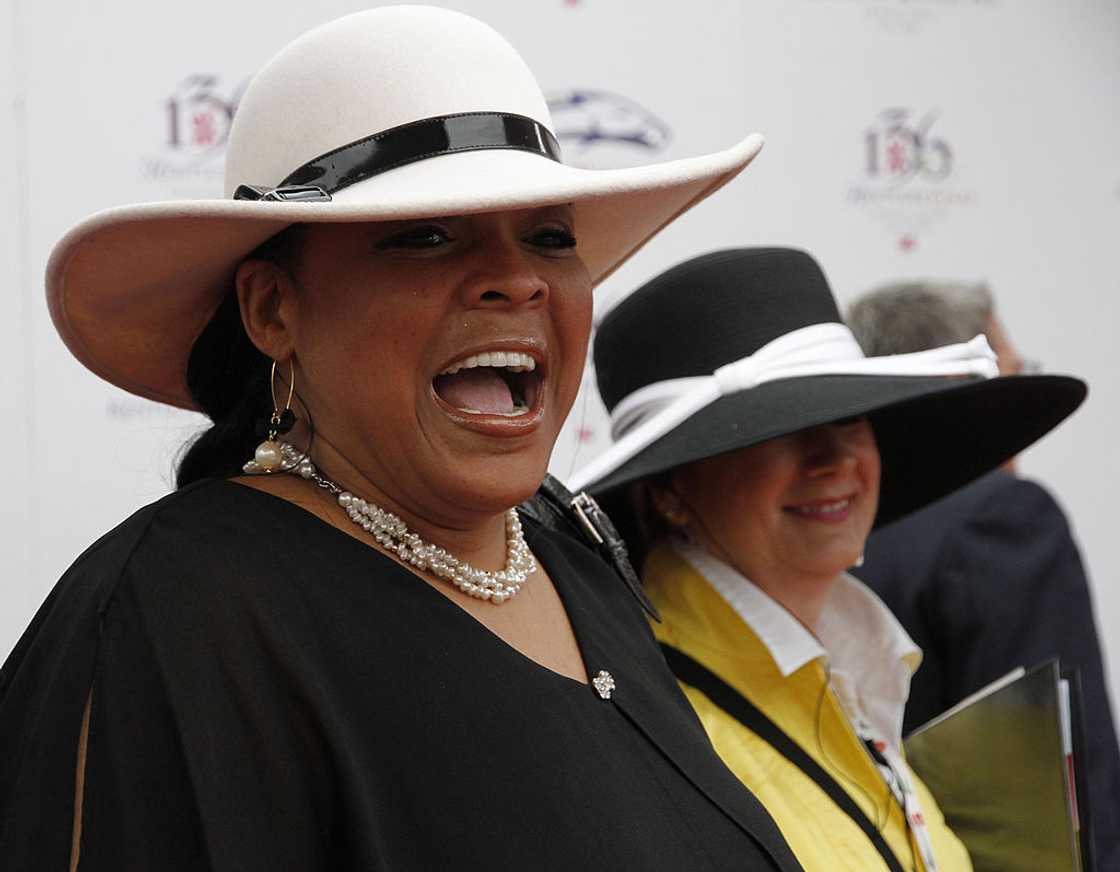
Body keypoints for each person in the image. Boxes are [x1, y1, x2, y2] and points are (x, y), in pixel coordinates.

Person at [0, 9, 808, 871]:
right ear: (274, 309)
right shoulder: (177, 615)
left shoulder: (571, 558)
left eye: (550, 237)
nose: (517, 280)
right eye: (425, 236)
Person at [569, 248, 1086, 872]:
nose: (833, 459)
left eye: (850, 416)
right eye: (774, 432)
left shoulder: (855, 677)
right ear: (671, 492)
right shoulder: (666, 732)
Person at [847, 279, 1120, 869]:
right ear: (962, 383)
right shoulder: (1001, 516)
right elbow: (1065, 782)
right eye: (1016, 377)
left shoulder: (827, 525)